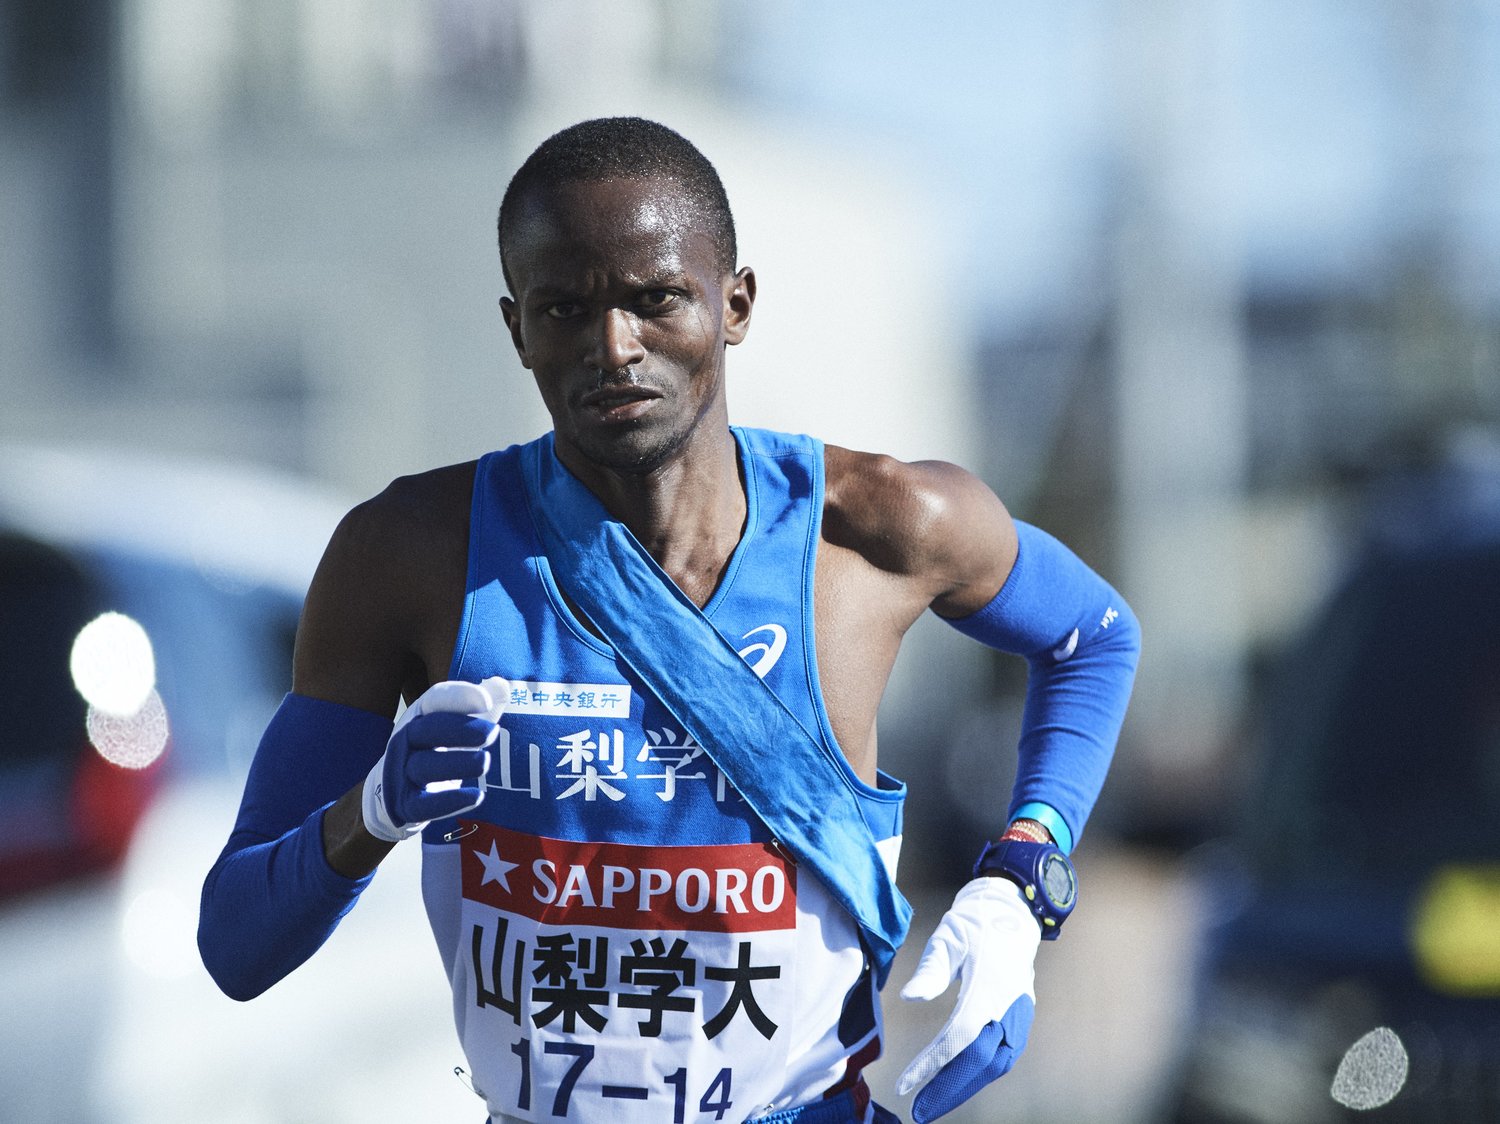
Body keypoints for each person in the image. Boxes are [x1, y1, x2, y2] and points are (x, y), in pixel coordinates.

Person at [199, 117, 1139, 1124]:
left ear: (734, 304)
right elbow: (237, 943)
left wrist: (1021, 876)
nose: (614, 347)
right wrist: (369, 813)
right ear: (517, 328)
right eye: (564, 308)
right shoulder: (411, 552)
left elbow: (1091, 634)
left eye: (655, 299)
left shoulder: (878, 526)